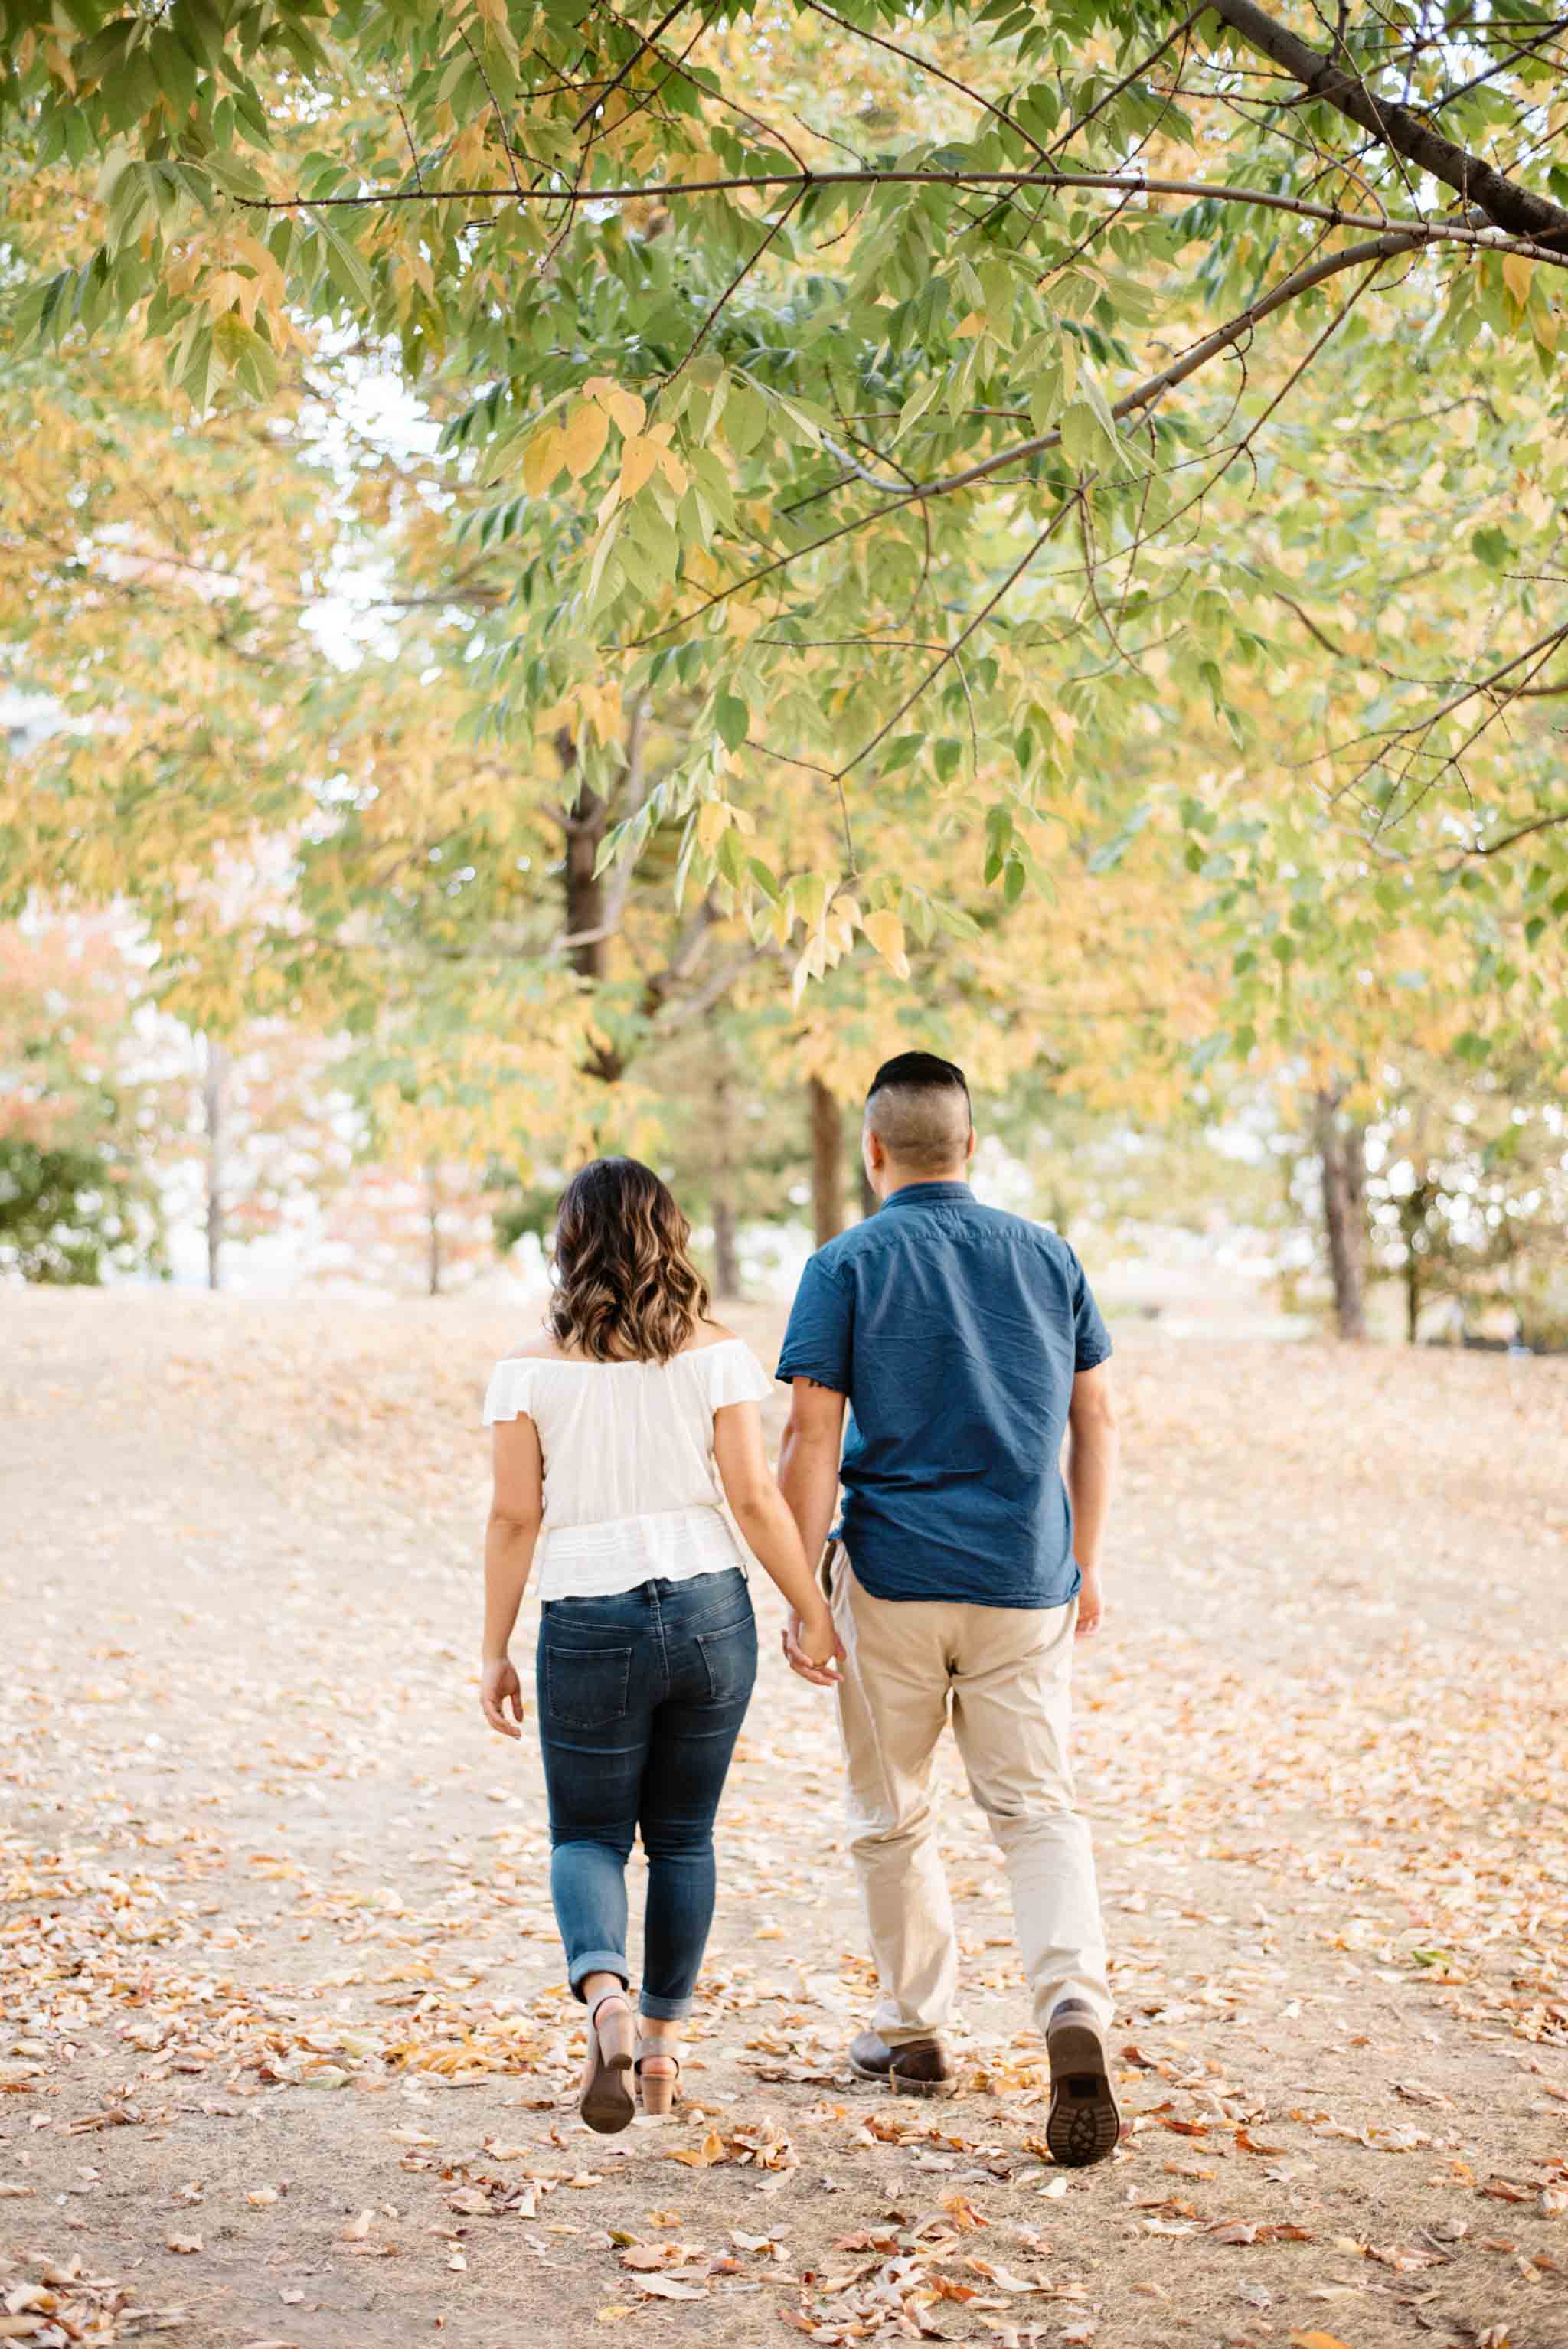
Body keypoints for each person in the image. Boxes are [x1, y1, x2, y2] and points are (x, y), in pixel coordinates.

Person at [774, 1052, 1122, 2167]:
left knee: (893, 1811)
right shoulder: (1048, 1256)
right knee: (1038, 1814)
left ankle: (914, 2031)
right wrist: (1089, 1560)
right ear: (970, 1147)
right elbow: (1097, 1421)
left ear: (874, 1151)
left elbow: (810, 1439)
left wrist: (801, 1597)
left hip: (894, 1579)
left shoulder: (844, 1263)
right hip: (1026, 1578)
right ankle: (1071, 2010)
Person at [479, 1156, 838, 2135]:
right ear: (667, 1239)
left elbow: (515, 1516)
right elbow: (755, 1497)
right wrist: (809, 1604)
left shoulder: (526, 1367)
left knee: (586, 1833)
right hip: (708, 1606)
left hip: (587, 1613)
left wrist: (493, 1647)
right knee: (682, 1835)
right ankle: (662, 2050)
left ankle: (604, 2000)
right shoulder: (718, 1353)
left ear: (568, 1243)